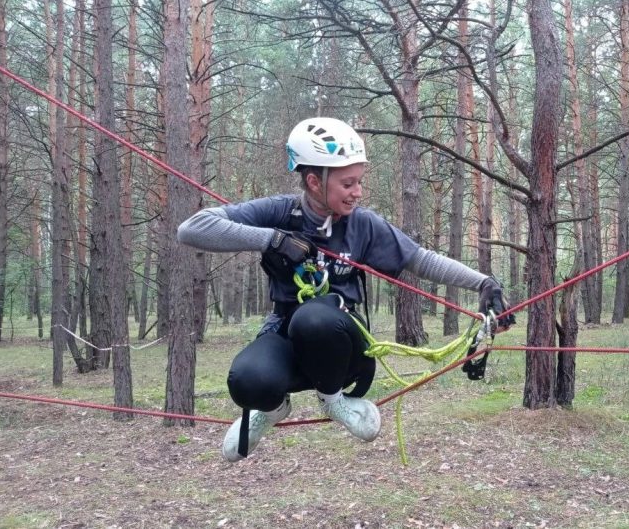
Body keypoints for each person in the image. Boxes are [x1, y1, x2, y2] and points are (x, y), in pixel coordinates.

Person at [177, 117, 514, 462]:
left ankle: (334, 400)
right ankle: (273, 409)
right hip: (287, 335)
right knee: (247, 381)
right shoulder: (280, 213)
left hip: (344, 348)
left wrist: (483, 282)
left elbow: (420, 259)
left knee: (315, 319)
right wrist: (272, 238)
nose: (358, 192)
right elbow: (193, 229)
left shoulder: (363, 224)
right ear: (313, 181)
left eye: (359, 182)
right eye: (348, 183)